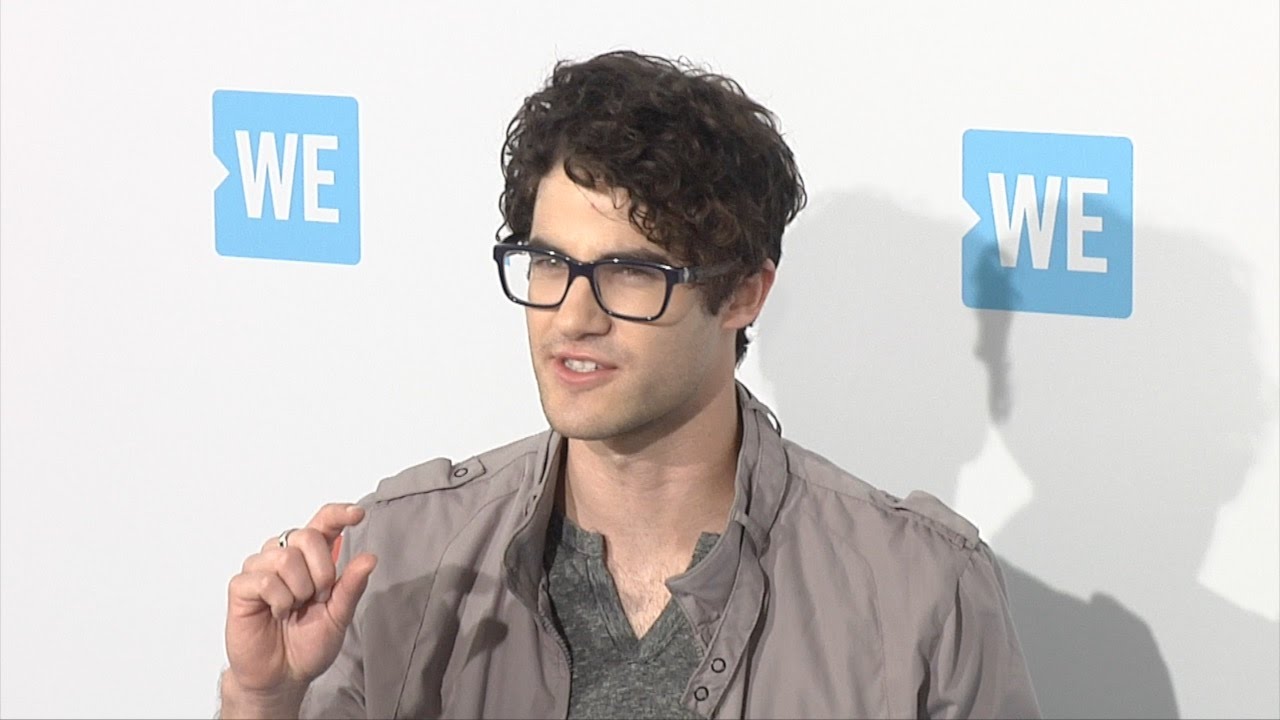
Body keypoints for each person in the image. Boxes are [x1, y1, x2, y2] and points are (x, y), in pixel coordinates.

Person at [218, 50, 1041, 719]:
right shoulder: (397, 558)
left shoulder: (922, 596)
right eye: (548, 263)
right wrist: (263, 699)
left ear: (744, 293)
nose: (571, 316)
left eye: (629, 272)